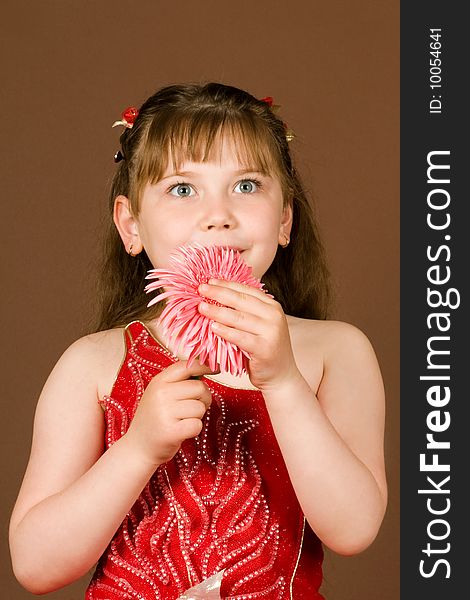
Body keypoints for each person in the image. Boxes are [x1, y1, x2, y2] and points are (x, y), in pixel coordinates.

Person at [9, 82, 387, 599]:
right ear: (130, 225)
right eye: (183, 189)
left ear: (284, 219)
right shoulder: (92, 364)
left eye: (248, 186)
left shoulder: (336, 352)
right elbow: (35, 565)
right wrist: (138, 449)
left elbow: (354, 529)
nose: (218, 214)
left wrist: (283, 381)